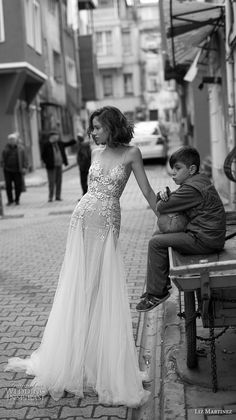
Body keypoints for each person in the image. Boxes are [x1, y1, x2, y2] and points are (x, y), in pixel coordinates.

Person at [5, 106, 158, 407]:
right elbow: (89, 189)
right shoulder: (94, 151)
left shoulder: (132, 154)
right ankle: (70, 360)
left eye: (98, 127)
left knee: (98, 290)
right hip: (81, 220)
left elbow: (147, 192)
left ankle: (101, 363)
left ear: (112, 126)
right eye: (92, 128)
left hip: (107, 222)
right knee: (79, 289)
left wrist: (165, 216)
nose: (93, 132)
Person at [136, 146, 226, 312]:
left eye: (178, 168)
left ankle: (157, 293)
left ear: (191, 169)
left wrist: (163, 196)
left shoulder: (191, 189)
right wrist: (166, 195)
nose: (173, 173)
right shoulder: (199, 180)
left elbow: (162, 207)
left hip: (204, 240)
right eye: (173, 169)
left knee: (156, 242)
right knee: (159, 234)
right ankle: (158, 285)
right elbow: (171, 201)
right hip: (206, 235)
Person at [41, 130, 76, 202]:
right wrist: (47, 162)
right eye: (56, 136)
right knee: (51, 182)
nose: (57, 137)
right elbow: (43, 156)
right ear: (52, 137)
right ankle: (50, 197)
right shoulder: (47, 144)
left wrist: (75, 138)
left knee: (59, 181)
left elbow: (69, 143)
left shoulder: (59, 143)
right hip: (51, 166)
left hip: (59, 165)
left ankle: (58, 196)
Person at [1, 132, 28, 205]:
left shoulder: (21, 148)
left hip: (17, 170)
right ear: (8, 141)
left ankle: (17, 199)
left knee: (18, 185)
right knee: (8, 186)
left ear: (16, 140)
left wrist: (25, 167)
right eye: (10, 140)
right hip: (8, 170)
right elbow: (2, 158)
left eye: (13, 139)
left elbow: (25, 158)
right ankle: (10, 200)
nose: (11, 141)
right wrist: (3, 164)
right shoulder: (5, 149)